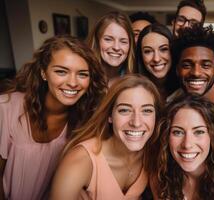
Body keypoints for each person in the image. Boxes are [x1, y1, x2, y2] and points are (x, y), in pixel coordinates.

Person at [0, 35, 106, 200]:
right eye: (61, 71)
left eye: (82, 74)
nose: (72, 82)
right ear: (44, 72)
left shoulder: (85, 118)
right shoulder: (6, 109)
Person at [50, 74, 162, 200]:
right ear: (110, 116)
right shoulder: (80, 161)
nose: (136, 123)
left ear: (156, 117)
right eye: (124, 110)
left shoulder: (154, 154)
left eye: (147, 111)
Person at [151, 95, 214, 200]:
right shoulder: (159, 178)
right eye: (178, 132)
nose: (187, 144)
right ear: (166, 136)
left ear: (213, 136)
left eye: (199, 132)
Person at [87, 11, 135, 85]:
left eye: (123, 41)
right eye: (108, 39)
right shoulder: (83, 77)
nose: (116, 47)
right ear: (97, 41)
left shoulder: (135, 82)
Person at [136, 23, 179, 99]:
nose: (156, 59)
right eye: (148, 51)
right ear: (140, 55)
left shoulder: (184, 89)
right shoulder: (134, 91)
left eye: (163, 49)